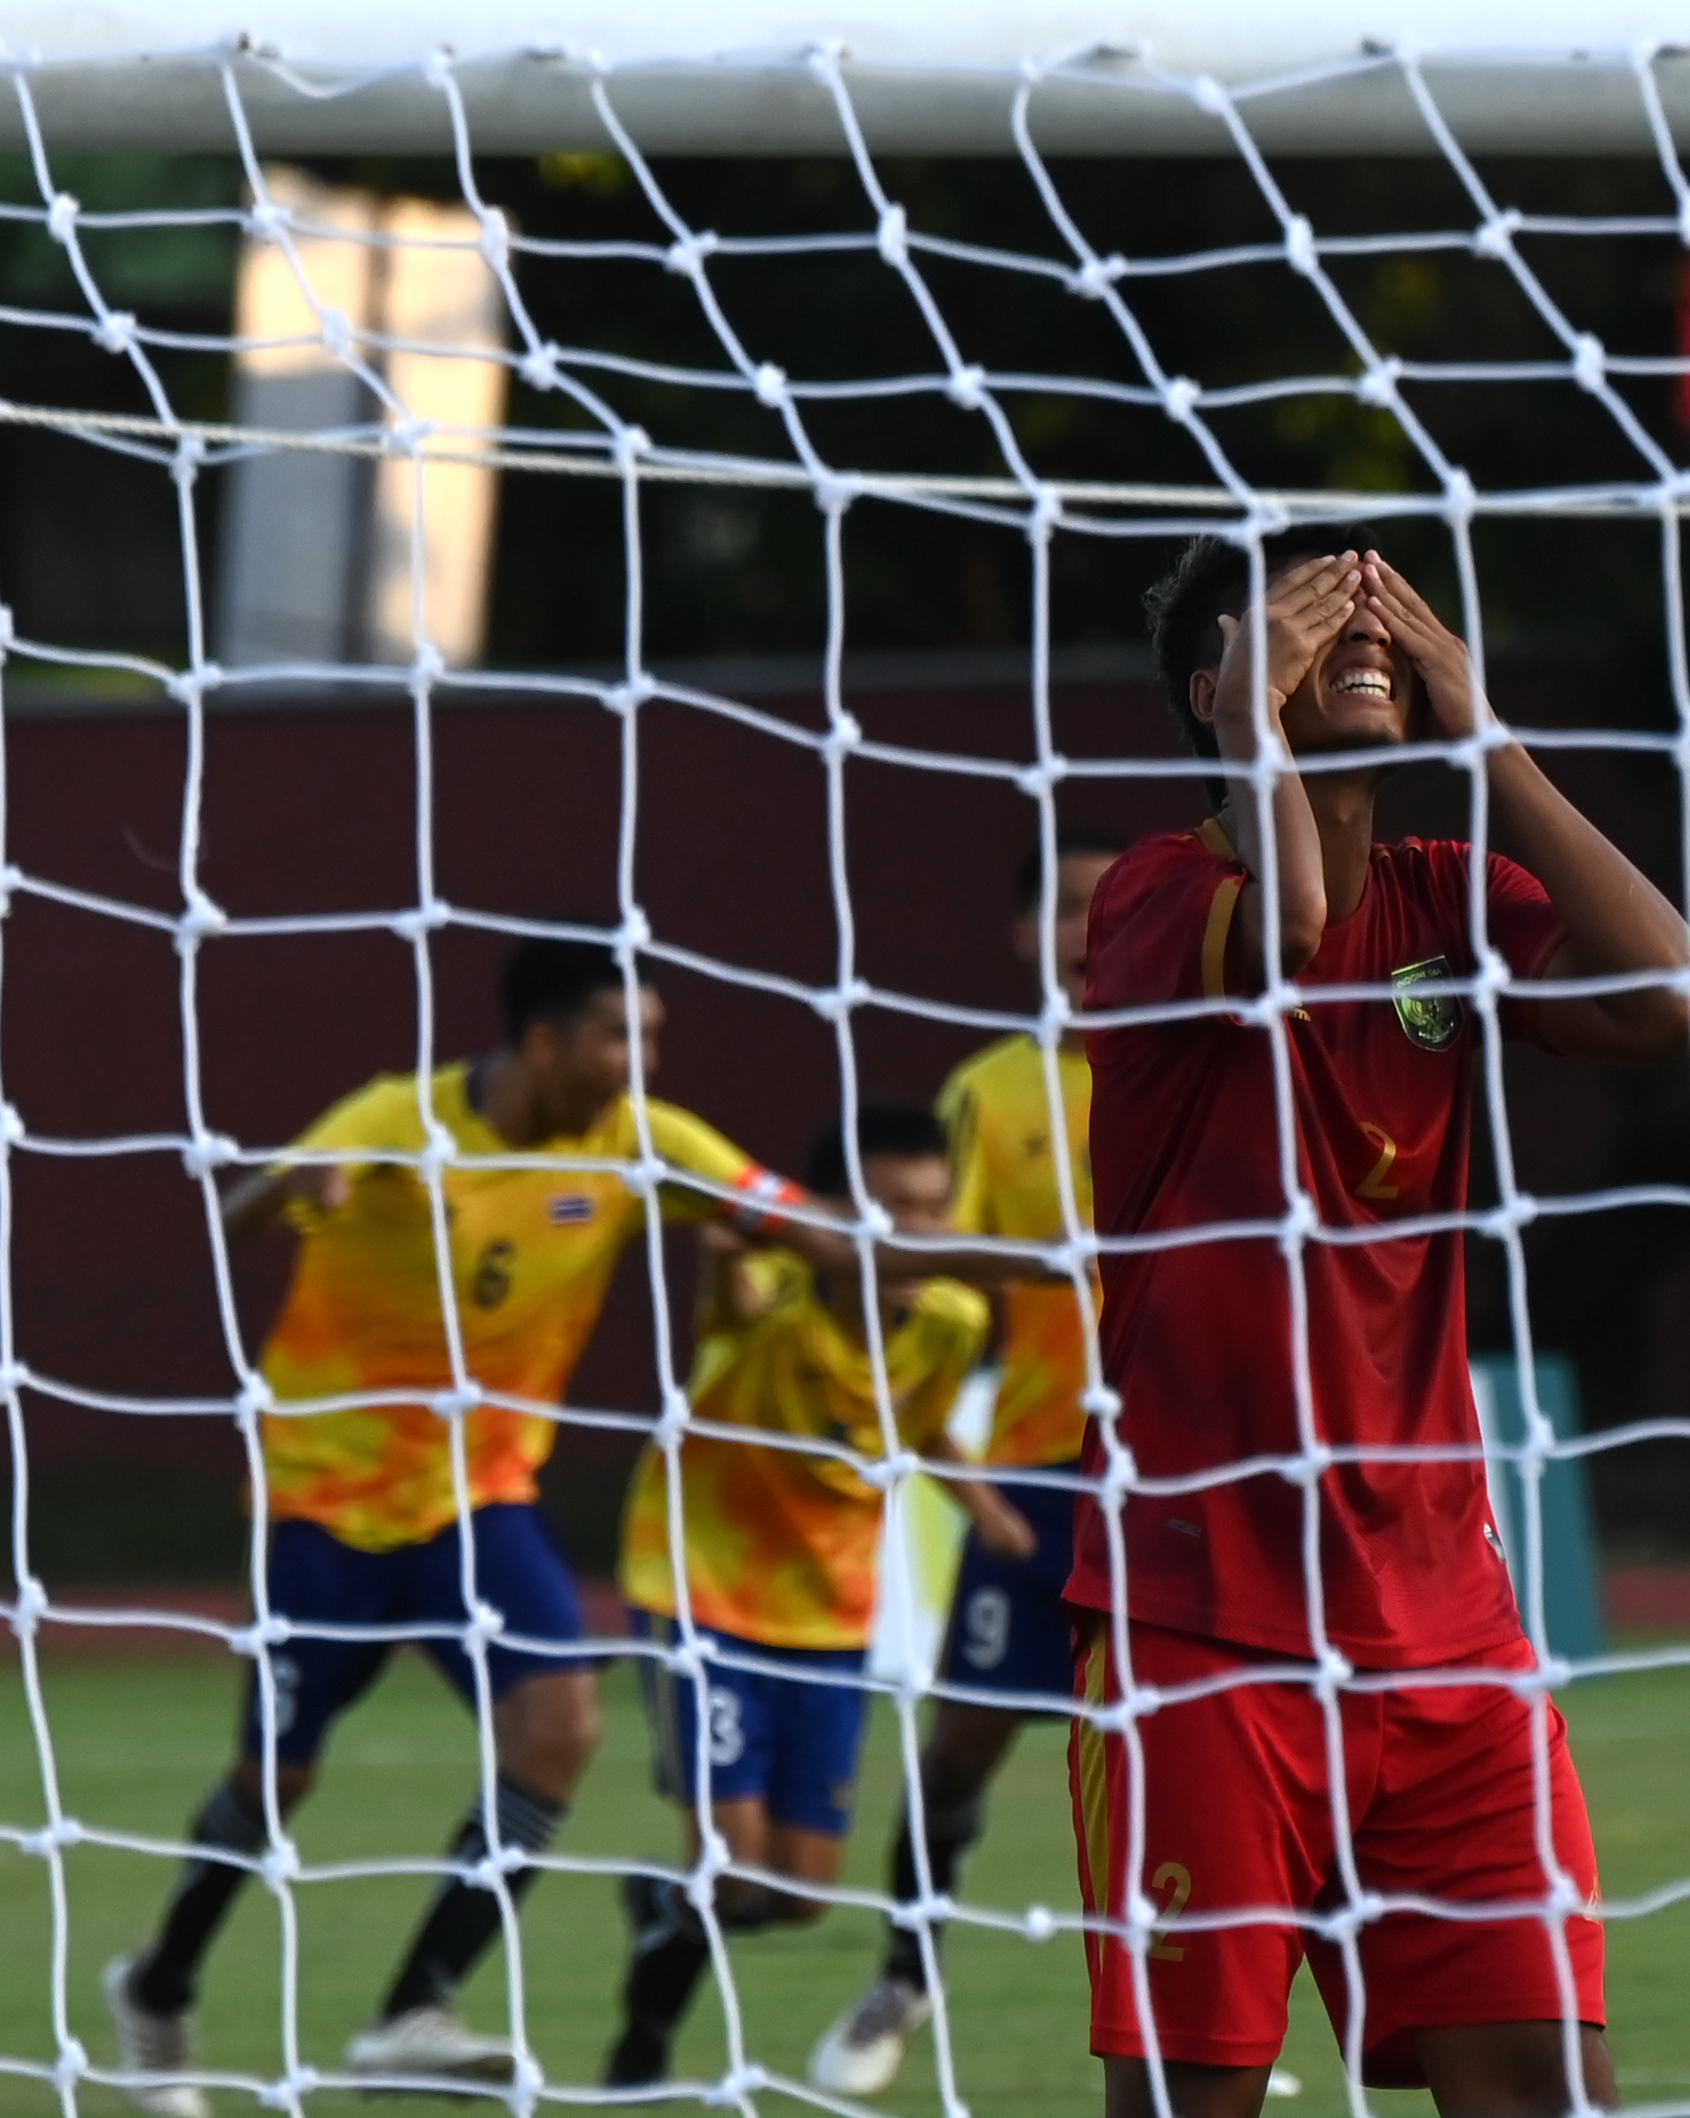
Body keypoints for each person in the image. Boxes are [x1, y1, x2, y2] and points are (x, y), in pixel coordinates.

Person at [100, 938, 1019, 2112]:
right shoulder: (397, 1117)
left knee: (561, 1724)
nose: (640, 1061)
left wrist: (1046, 1265)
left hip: (480, 1501)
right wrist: (287, 1188)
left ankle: (413, 2008)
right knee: (272, 1783)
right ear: (544, 1041)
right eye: (618, 1037)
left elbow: (829, 1234)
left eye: (651, 1037)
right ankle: (160, 1985)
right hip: (323, 1507)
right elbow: (235, 1218)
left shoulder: (641, 1140)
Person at [1070, 530, 1690, 2118]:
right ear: (1214, 682)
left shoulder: (1451, 898)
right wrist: (1253, 721)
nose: (1363, 637)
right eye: (1306, 619)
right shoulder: (1157, 900)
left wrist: (1485, 731)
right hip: (1202, 1636)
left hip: (1448, 1635)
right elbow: (1284, 926)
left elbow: (1674, 998)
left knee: (1553, 2088)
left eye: (1384, 621)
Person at [604, 1103, 1022, 2086]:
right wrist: (721, 1256)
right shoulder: (770, 1285)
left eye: (932, 1206)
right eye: (890, 1206)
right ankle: (641, 2050)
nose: (915, 1230)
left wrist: (981, 1502)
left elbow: (909, 1423)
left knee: (799, 1898)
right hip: (703, 1592)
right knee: (734, 1860)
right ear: (834, 1211)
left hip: (830, 1615)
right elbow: (732, 1302)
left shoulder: (954, 1316)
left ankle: (656, 1912)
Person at [813, 830, 1124, 2096]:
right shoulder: (992, 1093)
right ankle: (904, 1970)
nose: (1085, 932)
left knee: (1191, 1752)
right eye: (1063, 910)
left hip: (1201, 1470)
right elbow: (931, 1261)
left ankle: (1201, 2000)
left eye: (1110, 908)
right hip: (1049, 1459)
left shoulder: (1217, 1051)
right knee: (968, 1743)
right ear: (1022, 936)